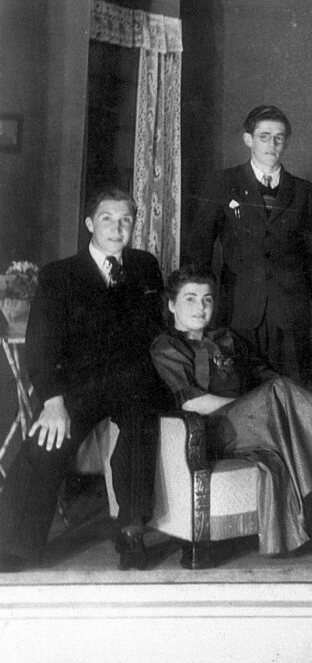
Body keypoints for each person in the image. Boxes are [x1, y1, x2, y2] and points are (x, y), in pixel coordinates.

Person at [150, 265, 312, 559]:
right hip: (212, 431)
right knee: (281, 397)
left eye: (207, 299)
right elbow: (192, 403)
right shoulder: (166, 345)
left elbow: (266, 375)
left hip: (256, 423)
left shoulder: (226, 338)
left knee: (304, 425)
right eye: (190, 299)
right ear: (172, 305)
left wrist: (278, 406)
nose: (200, 307)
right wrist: (257, 405)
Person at [0, 187, 168, 572]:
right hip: (79, 383)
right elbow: (41, 344)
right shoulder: (60, 274)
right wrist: (53, 402)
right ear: (90, 223)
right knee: (46, 439)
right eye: (107, 219)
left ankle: (131, 531)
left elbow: (155, 331)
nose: (117, 228)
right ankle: (12, 545)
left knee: (141, 425)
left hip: (133, 379)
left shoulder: (145, 266)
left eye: (125, 220)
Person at [185, 105, 312, 381]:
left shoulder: (303, 191)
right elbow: (200, 247)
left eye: (279, 138)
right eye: (264, 136)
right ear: (248, 139)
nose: (272, 144)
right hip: (239, 309)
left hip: (289, 314)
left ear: (286, 142)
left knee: (290, 390)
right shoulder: (224, 182)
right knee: (242, 389)